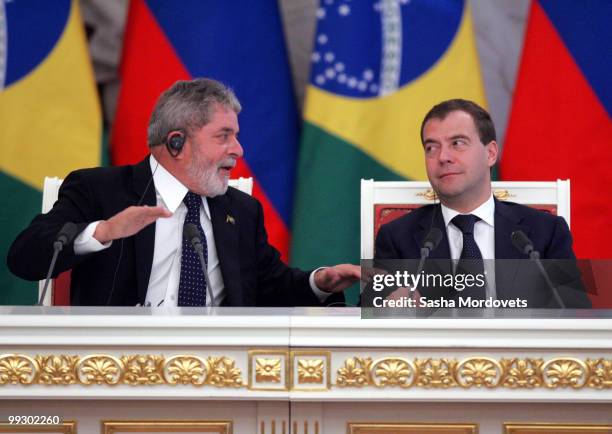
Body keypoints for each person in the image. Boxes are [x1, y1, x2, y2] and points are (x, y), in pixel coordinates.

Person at [8, 78, 359, 307]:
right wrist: (102, 232)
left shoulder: (242, 210)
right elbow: (24, 256)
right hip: (115, 366)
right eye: (223, 136)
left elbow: (271, 287)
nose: (238, 150)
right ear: (176, 142)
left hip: (220, 371)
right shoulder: (100, 190)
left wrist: (320, 281)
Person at [374, 99, 590, 308]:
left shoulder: (544, 233)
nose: (443, 157)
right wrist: (387, 310)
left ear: (491, 153)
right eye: (431, 148)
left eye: (457, 143)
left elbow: (576, 316)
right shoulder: (397, 238)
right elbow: (366, 322)